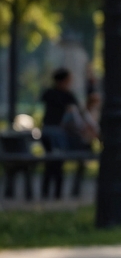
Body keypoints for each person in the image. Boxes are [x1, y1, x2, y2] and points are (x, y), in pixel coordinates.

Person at [39, 68, 79, 199]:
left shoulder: (49, 93)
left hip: (46, 131)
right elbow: (76, 113)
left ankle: (46, 192)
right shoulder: (67, 95)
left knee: (50, 163)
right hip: (57, 132)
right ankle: (57, 194)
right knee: (57, 163)